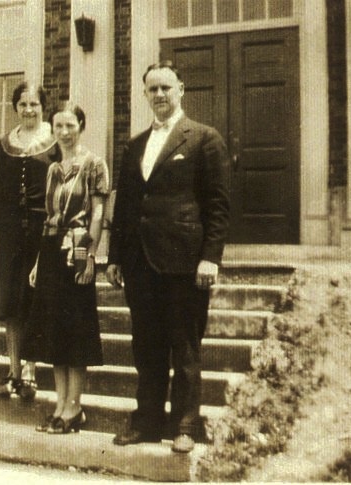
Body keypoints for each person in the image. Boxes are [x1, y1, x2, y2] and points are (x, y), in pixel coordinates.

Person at [106, 60, 230, 453]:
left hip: (183, 262)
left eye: (166, 88)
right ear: (144, 94)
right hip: (141, 263)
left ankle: (187, 425)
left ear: (181, 89)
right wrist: (114, 258)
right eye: (152, 89)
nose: (159, 95)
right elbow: (125, 205)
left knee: (185, 346)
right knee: (146, 346)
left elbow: (218, 205)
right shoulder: (135, 145)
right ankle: (147, 421)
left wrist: (210, 257)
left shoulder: (204, 138)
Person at [22, 101, 107, 434]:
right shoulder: (52, 168)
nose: (65, 132)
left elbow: (98, 213)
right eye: (59, 126)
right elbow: (47, 219)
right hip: (51, 253)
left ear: (81, 126)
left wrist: (90, 255)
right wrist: (38, 263)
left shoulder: (94, 164)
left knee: (76, 332)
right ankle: (59, 404)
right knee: (55, 332)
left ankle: (74, 407)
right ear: (52, 129)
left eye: (70, 125)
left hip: (77, 252)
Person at [0, 82, 57, 401]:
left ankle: (31, 371)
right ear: (15, 108)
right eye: (22, 104)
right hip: (11, 233)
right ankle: (13, 370)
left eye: (34, 104)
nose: (28, 110)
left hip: (43, 231)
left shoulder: (54, 140)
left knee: (33, 300)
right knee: (11, 303)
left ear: (43, 107)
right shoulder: (4, 144)